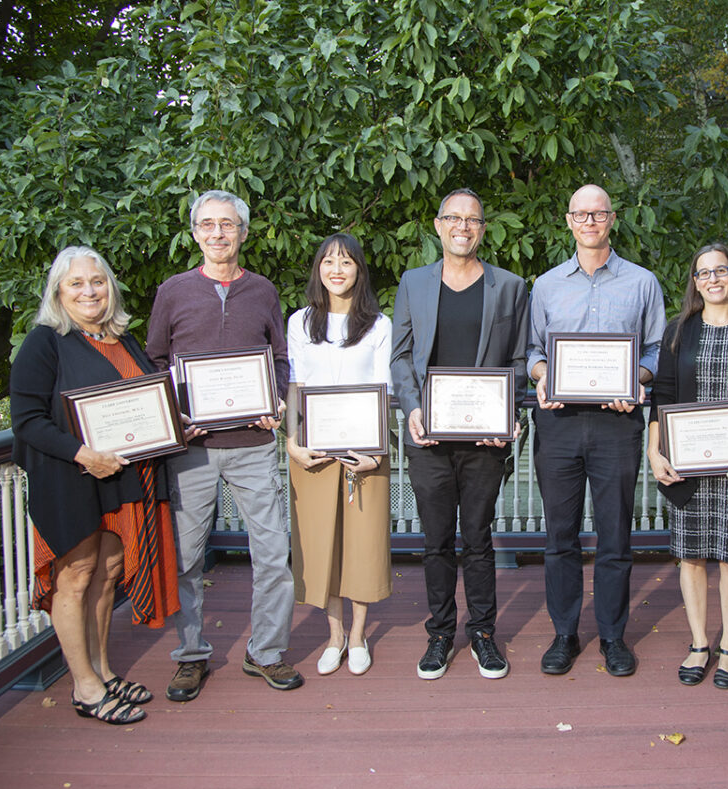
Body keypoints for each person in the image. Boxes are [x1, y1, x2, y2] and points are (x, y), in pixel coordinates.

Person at [11, 245, 181, 724]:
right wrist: (83, 454)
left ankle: (104, 671)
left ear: (110, 287)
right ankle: (84, 688)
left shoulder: (122, 340)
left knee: (107, 575)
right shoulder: (44, 342)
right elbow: (26, 421)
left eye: (98, 281)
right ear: (58, 292)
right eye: (76, 283)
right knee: (76, 577)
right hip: (70, 478)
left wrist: (173, 420)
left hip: (119, 478)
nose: (89, 290)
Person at [147, 189, 302, 699]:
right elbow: (154, 366)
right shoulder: (172, 291)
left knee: (273, 553)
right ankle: (191, 655)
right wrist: (174, 420)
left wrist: (277, 401)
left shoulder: (263, 291)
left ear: (243, 232)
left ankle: (267, 653)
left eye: (228, 224)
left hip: (253, 443)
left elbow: (279, 359)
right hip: (191, 449)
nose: (218, 233)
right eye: (208, 224)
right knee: (187, 557)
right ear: (195, 233)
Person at [528, 184, 666, 677]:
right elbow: (532, 352)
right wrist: (545, 376)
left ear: (612, 219)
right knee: (559, 535)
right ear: (569, 221)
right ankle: (564, 633)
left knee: (615, 535)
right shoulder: (545, 285)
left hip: (617, 423)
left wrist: (635, 382)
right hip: (560, 423)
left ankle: (612, 635)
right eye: (581, 214)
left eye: (599, 213)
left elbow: (654, 352)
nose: (590, 221)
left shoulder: (643, 282)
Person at [391, 188, 528, 680]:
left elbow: (517, 360)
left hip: (484, 440)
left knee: (478, 539)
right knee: (435, 542)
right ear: (438, 225)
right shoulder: (413, 283)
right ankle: (441, 633)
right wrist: (411, 407)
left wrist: (507, 414)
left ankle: (483, 634)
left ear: (483, 228)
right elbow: (401, 356)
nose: (462, 227)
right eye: (454, 218)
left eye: (472, 219)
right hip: (429, 437)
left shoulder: (511, 287)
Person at [648, 244, 728, 688]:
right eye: (703, 273)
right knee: (690, 556)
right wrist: (655, 452)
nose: (713, 279)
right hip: (686, 464)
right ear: (695, 282)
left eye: (721, 270)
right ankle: (699, 642)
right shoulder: (677, 330)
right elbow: (661, 395)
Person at [284, 233, 392, 677]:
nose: (337, 269)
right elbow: (295, 387)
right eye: (328, 261)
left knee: (362, 545)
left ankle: (360, 635)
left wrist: (379, 453)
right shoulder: (300, 322)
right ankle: (334, 637)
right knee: (321, 544)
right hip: (313, 448)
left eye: (346, 262)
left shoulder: (378, 324)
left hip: (364, 452)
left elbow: (385, 391)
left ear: (359, 271)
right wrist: (291, 443)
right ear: (318, 270)